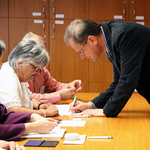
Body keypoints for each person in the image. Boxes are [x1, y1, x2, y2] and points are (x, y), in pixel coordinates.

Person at [64, 19, 150, 117]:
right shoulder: (109, 41)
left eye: (81, 51)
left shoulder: (124, 35)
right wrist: (91, 105)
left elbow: (128, 79)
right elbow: (118, 82)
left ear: (92, 40)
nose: (82, 56)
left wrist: (106, 111)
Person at [0, 38, 58, 117]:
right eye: (35, 68)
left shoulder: (20, 74)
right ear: (20, 64)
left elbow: (29, 98)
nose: (37, 72)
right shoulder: (7, 75)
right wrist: (45, 113)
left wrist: (41, 105)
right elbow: (14, 110)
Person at [23, 32, 82, 104]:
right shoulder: (19, 70)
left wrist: (68, 86)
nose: (41, 53)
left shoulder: (42, 69)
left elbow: (54, 86)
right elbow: (28, 98)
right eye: (37, 50)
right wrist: (59, 95)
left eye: (43, 50)